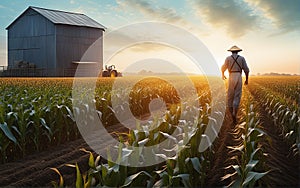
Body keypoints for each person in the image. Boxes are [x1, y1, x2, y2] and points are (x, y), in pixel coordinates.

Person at [221, 45, 249, 124]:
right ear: (238, 51)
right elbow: (246, 70)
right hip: (239, 76)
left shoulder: (228, 58)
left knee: (230, 95)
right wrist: (246, 80)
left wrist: (223, 75)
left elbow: (223, 68)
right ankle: (234, 113)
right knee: (237, 95)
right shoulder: (242, 58)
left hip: (231, 76)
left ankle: (231, 114)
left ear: (231, 51)